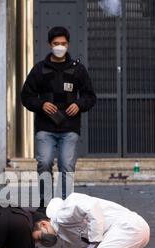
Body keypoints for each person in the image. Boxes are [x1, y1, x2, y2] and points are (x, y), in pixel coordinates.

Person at [21, 26, 96, 204]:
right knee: (44, 163)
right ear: (50, 44)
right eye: (56, 43)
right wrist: (41, 104)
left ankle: (65, 204)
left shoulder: (78, 69)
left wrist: (79, 104)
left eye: (63, 43)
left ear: (68, 44)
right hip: (45, 128)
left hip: (70, 128)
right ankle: (46, 204)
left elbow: (90, 97)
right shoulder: (39, 69)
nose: (59, 47)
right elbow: (26, 96)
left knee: (67, 165)